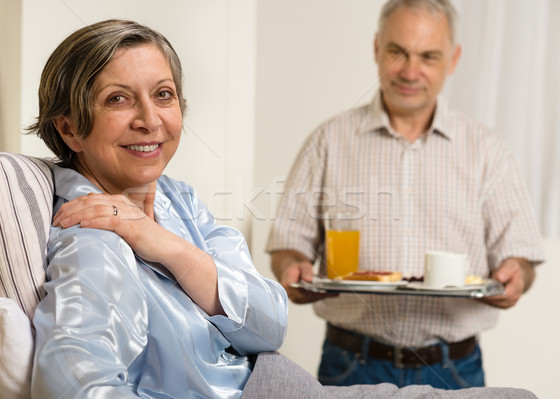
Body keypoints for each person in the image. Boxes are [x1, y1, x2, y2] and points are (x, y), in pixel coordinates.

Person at [28, 18, 538, 399]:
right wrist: (293, 264)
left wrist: (164, 242)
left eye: (163, 94)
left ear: (452, 61)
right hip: (344, 356)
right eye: (118, 99)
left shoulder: (176, 199)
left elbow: (269, 320)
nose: (149, 119)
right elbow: (74, 377)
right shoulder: (91, 235)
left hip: (445, 357)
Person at [266, 0, 545, 390]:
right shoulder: (328, 141)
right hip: (350, 365)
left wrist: (518, 274)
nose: (411, 71)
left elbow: (519, 257)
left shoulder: (488, 150)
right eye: (398, 52)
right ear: (377, 48)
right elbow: (288, 244)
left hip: (455, 371)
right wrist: (291, 268)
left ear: (454, 59)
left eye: (429, 56)